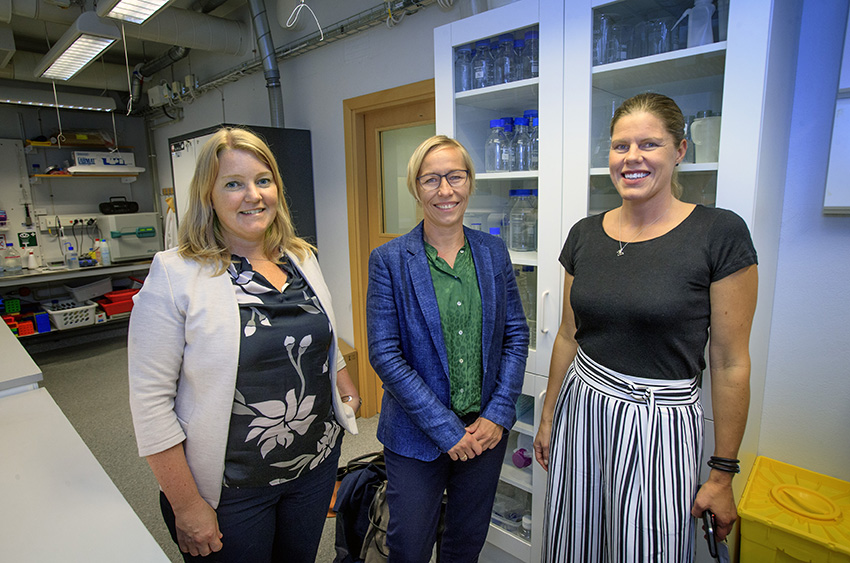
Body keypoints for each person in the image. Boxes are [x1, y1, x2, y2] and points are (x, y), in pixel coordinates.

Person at [534, 93, 758, 562]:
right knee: (574, 544)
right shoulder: (584, 234)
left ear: (679, 151)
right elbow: (568, 335)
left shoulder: (719, 233)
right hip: (582, 406)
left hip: (660, 420)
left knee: (646, 549)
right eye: (620, 146)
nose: (631, 158)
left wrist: (721, 475)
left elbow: (730, 360)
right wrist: (550, 415)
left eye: (649, 144)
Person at [128, 126, 359, 562]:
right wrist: (187, 505)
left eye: (263, 181)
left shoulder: (301, 256)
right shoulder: (176, 273)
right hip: (231, 486)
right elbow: (150, 404)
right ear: (208, 196)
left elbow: (320, 337)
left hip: (313, 468)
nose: (252, 195)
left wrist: (344, 385)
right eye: (233, 184)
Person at [366, 135, 529, 562]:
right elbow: (385, 353)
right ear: (415, 187)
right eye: (431, 179)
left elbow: (515, 333)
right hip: (415, 436)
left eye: (455, 177)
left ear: (469, 183)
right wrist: (445, 430)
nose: (445, 190)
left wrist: (498, 413)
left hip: (484, 433)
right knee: (409, 545)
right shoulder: (389, 260)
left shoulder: (493, 252)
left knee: (465, 541)